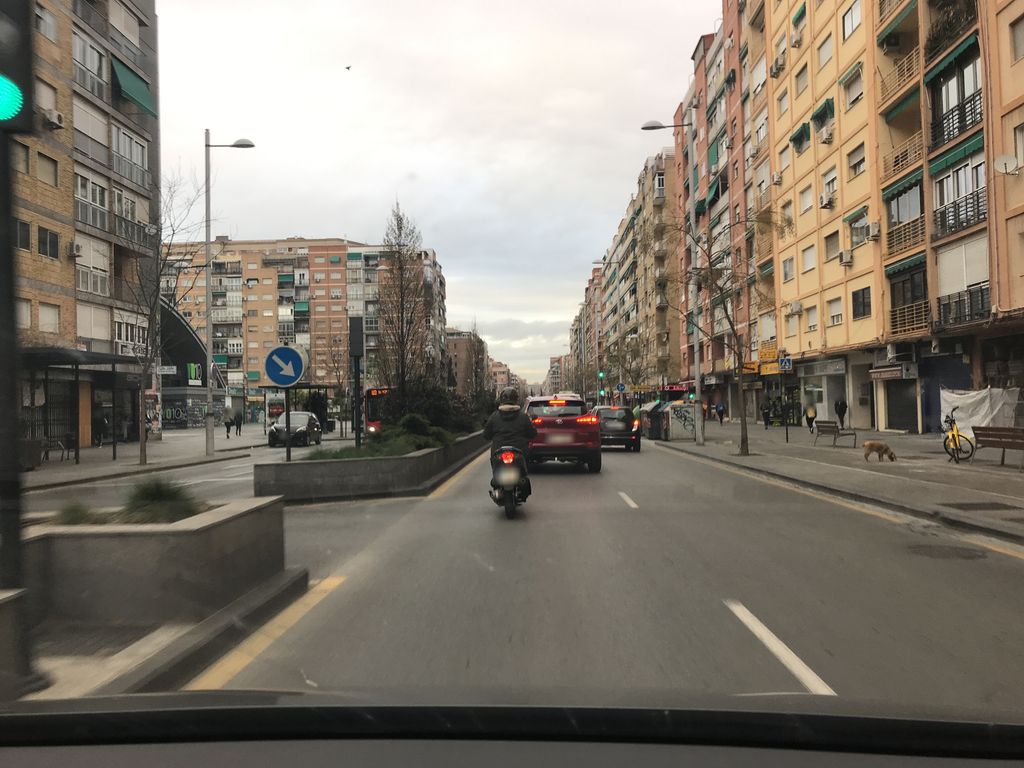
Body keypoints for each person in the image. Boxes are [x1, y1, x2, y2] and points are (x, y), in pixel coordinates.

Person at [482, 386, 537, 498]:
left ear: (501, 400)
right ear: (516, 399)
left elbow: (486, 434)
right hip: (520, 450)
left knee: (494, 461)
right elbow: (532, 433)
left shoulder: (494, 416)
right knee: (523, 465)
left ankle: (497, 478)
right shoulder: (523, 417)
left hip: (498, 450)